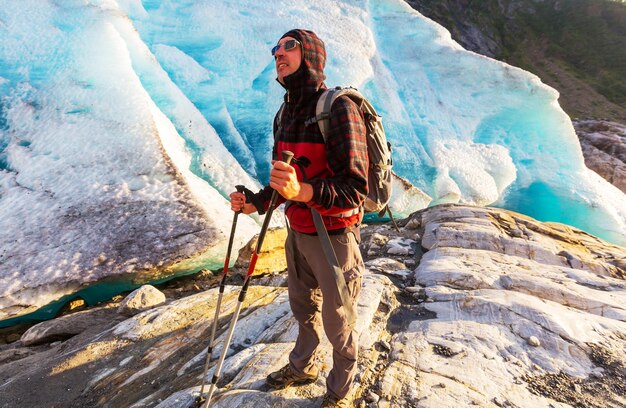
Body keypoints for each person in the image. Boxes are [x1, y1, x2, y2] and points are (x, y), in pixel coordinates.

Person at [230, 28, 367, 408]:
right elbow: (283, 180)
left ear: (311, 55)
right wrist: (256, 203)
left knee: (338, 319)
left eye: (289, 46)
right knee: (302, 307)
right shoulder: (286, 112)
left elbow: (356, 187)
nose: (278, 52)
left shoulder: (338, 109)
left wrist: (303, 193)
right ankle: (302, 365)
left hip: (335, 235)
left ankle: (340, 389)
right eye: (275, 47)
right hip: (298, 231)